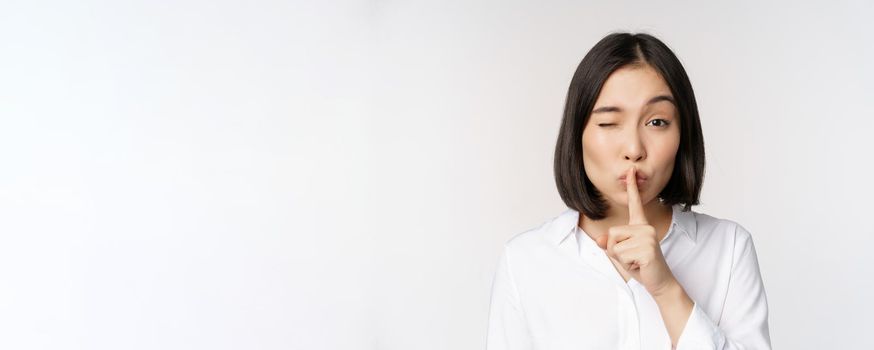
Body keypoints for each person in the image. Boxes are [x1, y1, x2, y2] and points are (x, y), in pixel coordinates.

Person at [485, 32, 771, 349]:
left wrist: (665, 288)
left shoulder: (729, 249)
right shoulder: (525, 261)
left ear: (683, 134)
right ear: (577, 134)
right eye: (608, 123)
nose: (634, 149)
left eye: (657, 122)